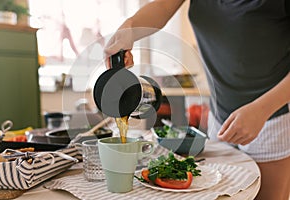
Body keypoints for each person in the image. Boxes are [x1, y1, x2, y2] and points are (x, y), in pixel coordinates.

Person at [103, 0, 290, 199]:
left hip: (272, 116)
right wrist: (129, 28)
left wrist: (262, 110)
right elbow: (163, 7)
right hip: (220, 117)